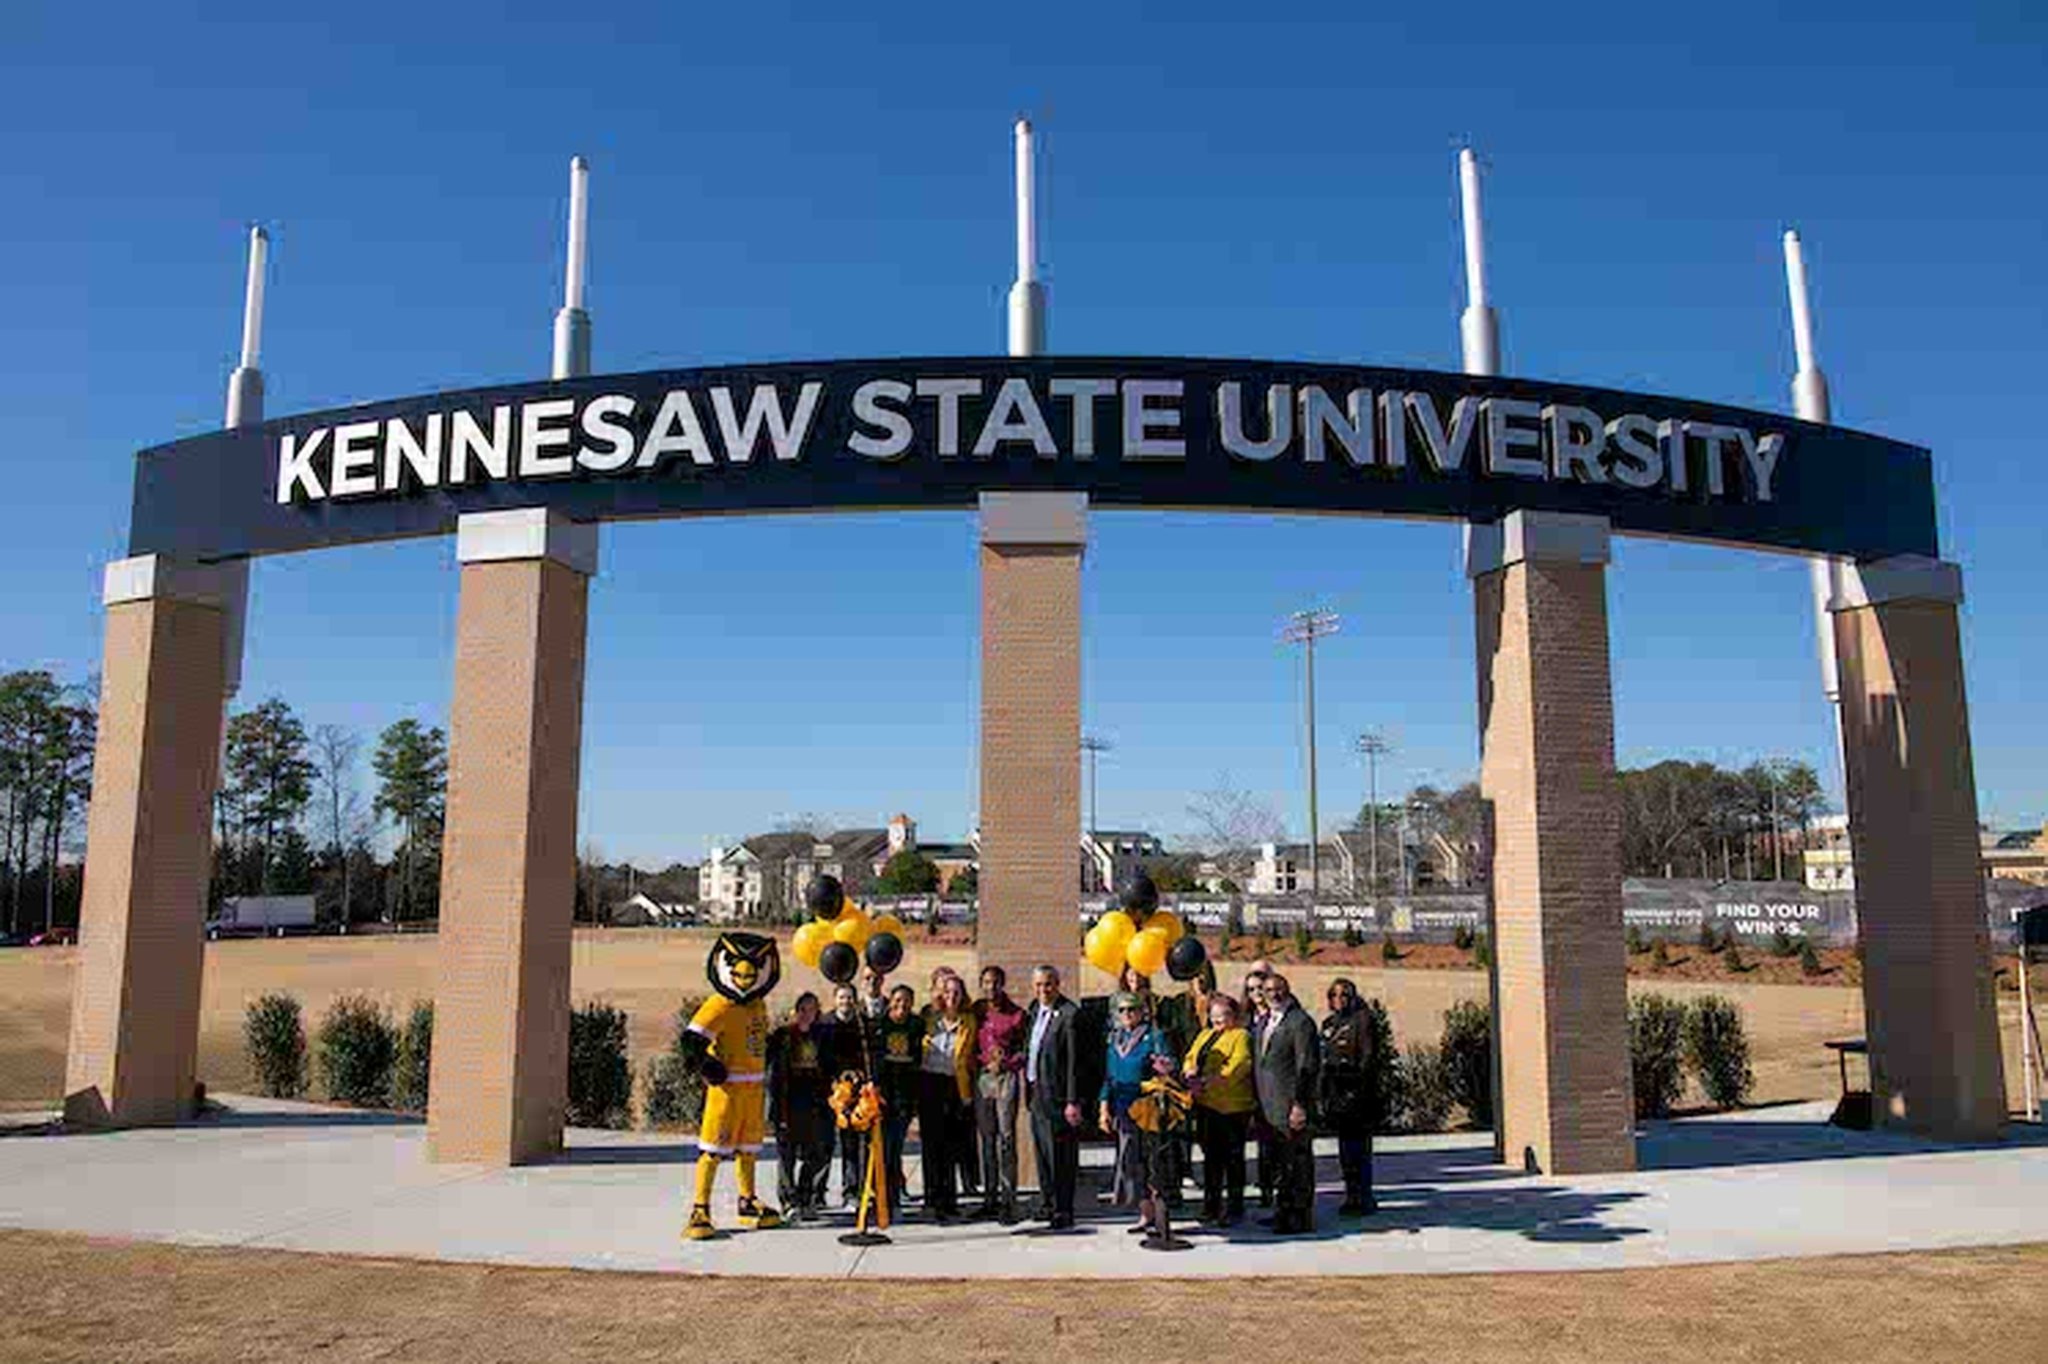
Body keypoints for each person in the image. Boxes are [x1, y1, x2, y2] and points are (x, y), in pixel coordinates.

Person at [1254, 972, 1321, 1235]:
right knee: (1281, 1165)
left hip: (1291, 1106)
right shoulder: (1263, 1023)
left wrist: (1300, 1104)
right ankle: (1283, 1212)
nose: (1274, 995)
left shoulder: (1300, 1022)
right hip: (1269, 1108)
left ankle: (1300, 1217)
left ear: (1288, 990)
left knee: (1298, 1164)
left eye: (1279, 989)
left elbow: (1307, 1066)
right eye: (1268, 990)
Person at [1098, 992, 1170, 1227]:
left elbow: (1167, 1063)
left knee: (1151, 1161)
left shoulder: (1153, 1035)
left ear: (1142, 1011)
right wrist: (1103, 1108)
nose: (1127, 1014)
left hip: (1146, 1108)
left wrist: (1165, 1065)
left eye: (1132, 1009)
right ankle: (1144, 1211)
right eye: (1122, 1010)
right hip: (1122, 1108)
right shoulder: (1114, 1039)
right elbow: (1108, 1077)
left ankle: (1159, 1211)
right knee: (1131, 1160)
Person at [1184, 992, 1254, 1225]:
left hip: (1232, 1108)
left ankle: (1235, 1207)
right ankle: (1211, 1205)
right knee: (1211, 1159)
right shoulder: (1205, 1034)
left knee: (1232, 1159)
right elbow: (1191, 1056)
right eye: (1214, 1016)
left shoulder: (1240, 1036)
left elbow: (1239, 1065)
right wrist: (1190, 1072)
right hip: (1207, 1105)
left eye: (1223, 1016)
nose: (1217, 1021)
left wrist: (1209, 1081)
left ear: (1233, 1016)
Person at [766, 991, 834, 1223]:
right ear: (795, 1011)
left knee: (814, 1155)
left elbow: (830, 1068)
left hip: (814, 1105)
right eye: (803, 1009)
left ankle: (806, 1198)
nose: (807, 1014)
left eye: (812, 1009)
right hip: (787, 1104)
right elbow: (768, 1069)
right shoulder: (781, 1036)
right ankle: (788, 1202)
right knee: (787, 1157)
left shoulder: (822, 1036)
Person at [1024, 963, 1084, 1228]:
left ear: (1057, 985)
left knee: (1061, 1156)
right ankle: (1048, 1203)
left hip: (1060, 1098)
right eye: (1038, 985)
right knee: (1043, 1154)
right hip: (1036, 1092)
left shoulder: (1070, 1014)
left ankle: (1063, 1209)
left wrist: (1073, 1101)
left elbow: (1075, 1062)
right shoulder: (1035, 1009)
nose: (1043, 990)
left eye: (1047, 984)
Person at [916, 973, 977, 1221]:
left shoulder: (969, 1021)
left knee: (952, 1146)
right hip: (930, 1083)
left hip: (955, 1085)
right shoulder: (929, 1018)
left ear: (962, 997)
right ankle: (932, 1197)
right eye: (947, 992)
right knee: (931, 1144)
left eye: (956, 992)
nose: (951, 996)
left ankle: (949, 1199)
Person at [972, 963, 1027, 1222]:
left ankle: (1008, 1200)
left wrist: (1008, 1062)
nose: (990, 987)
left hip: (1006, 1078)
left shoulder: (1017, 1014)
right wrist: (982, 1060)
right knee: (987, 1139)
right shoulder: (977, 1011)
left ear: (1002, 984)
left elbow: (1025, 1051)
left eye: (995, 982)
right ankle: (989, 1198)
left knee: (1006, 1139)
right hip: (984, 1078)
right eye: (986, 982)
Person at [1319, 978, 1379, 1216]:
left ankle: (1363, 1197)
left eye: (1344, 995)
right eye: (1334, 995)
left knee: (1359, 1150)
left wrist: (1358, 1088)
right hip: (1336, 1093)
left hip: (1357, 1095)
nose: (1339, 1000)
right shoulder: (1329, 1023)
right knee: (1345, 1151)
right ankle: (1351, 1194)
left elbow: (1368, 1058)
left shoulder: (1362, 1021)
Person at [872, 983, 925, 1218]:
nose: (901, 1005)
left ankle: (893, 1200)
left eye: (906, 1001)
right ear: (890, 1001)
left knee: (894, 1150)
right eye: (897, 1000)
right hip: (882, 1098)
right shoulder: (880, 1025)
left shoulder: (916, 1026)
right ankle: (879, 1198)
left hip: (904, 1098)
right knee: (881, 1150)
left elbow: (918, 1061)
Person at [822, 983, 871, 1209]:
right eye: (841, 997)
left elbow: (865, 1056)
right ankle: (817, 1192)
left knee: (854, 1144)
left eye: (849, 997)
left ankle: (853, 1191)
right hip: (831, 1091)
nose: (845, 1002)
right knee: (825, 1145)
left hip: (855, 1093)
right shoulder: (825, 1024)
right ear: (834, 1000)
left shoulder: (860, 1024)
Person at [1242, 963, 1277, 1209]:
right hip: (1248, 1086)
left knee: (1271, 1141)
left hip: (1273, 1087)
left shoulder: (1279, 1015)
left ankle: (1271, 1187)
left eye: (1259, 988)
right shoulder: (1246, 1018)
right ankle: (1261, 1186)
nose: (1256, 993)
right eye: (1251, 989)